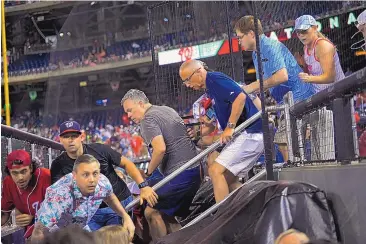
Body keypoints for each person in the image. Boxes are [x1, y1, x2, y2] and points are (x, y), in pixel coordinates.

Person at [121, 89, 202, 242]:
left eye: (130, 111)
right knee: (166, 213)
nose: (129, 116)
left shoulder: (147, 119)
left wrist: (148, 173)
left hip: (181, 173)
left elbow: (160, 149)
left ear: (140, 103)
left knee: (151, 212)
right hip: (195, 169)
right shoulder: (166, 109)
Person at [179, 59, 264, 203]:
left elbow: (240, 97)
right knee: (227, 180)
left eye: (187, 79)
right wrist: (198, 132)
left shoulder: (214, 79)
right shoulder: (210, 89)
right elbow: (211, 123)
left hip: (250, 133)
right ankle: (247, 209)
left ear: (199, 72)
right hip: (247, 134)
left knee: (215, 170)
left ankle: (224, 217)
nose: (187, 85)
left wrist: (230, 127)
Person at [234, 15, 315, 162]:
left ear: (251, 34)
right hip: (286, 101)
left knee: (284, 141)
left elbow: (282, 76)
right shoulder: (255, 53)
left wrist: (250, 87)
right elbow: (263, 83)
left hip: (299, 96)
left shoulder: (270, 46)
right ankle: (296, 168)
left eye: (240, 37)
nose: (239, 41)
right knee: (286, 142)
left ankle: (296, 172)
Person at [50, 120, 158, 231]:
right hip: (91, 211)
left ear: (81, 137)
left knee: (116, 239)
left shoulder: (99, 150)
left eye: (74, 136)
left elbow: (127, 163)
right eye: (66, 136)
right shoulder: (58, 165)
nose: (70, 140)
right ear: (60, 139)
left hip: (119, 202)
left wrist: (143, 186)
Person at [31, 154, 135, 243]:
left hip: (80, 227)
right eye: (85, 174)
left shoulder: (102, 182)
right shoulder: (60, 194)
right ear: (75, 176)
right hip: (57, 235)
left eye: (95, 173)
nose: (92, 180)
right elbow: (39, 231)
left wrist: (125, 217)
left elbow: (109, 197)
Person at [1, 150, 51, 240]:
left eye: (23, 171)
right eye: (15, 173)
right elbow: (4, 213)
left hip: (52, 227)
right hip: (32, 231)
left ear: (31, 168)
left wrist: (34, 218)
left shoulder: (46, 176)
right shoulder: (8, 182)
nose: (20, 178)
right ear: (9, 172)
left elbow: (61, 209)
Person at [294, 15, 345, 92]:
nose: (301, 35)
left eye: (304, 31)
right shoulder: (306, 48)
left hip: (338, 94)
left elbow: (330, 77)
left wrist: (309, 78)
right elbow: (313, 74)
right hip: (321, 96)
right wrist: (303, 65)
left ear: (315, 28)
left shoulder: (322, 46)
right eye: (298, 32)